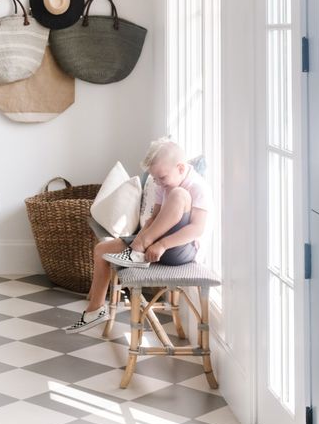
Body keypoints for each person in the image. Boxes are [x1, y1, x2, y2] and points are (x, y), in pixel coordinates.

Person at [64, 139, 213, 334]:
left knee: (178, 194)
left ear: (181, 167)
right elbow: (154, 220)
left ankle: (138, 249)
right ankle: (95, 311)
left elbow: (196, 229)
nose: (159, 184)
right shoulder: (162, 184)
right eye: (155, 180)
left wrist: (162, 245)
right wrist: (139, 239)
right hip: (152, 242)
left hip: (180, 249)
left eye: (162, 178)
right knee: (101, 250)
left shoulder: (197, 186)